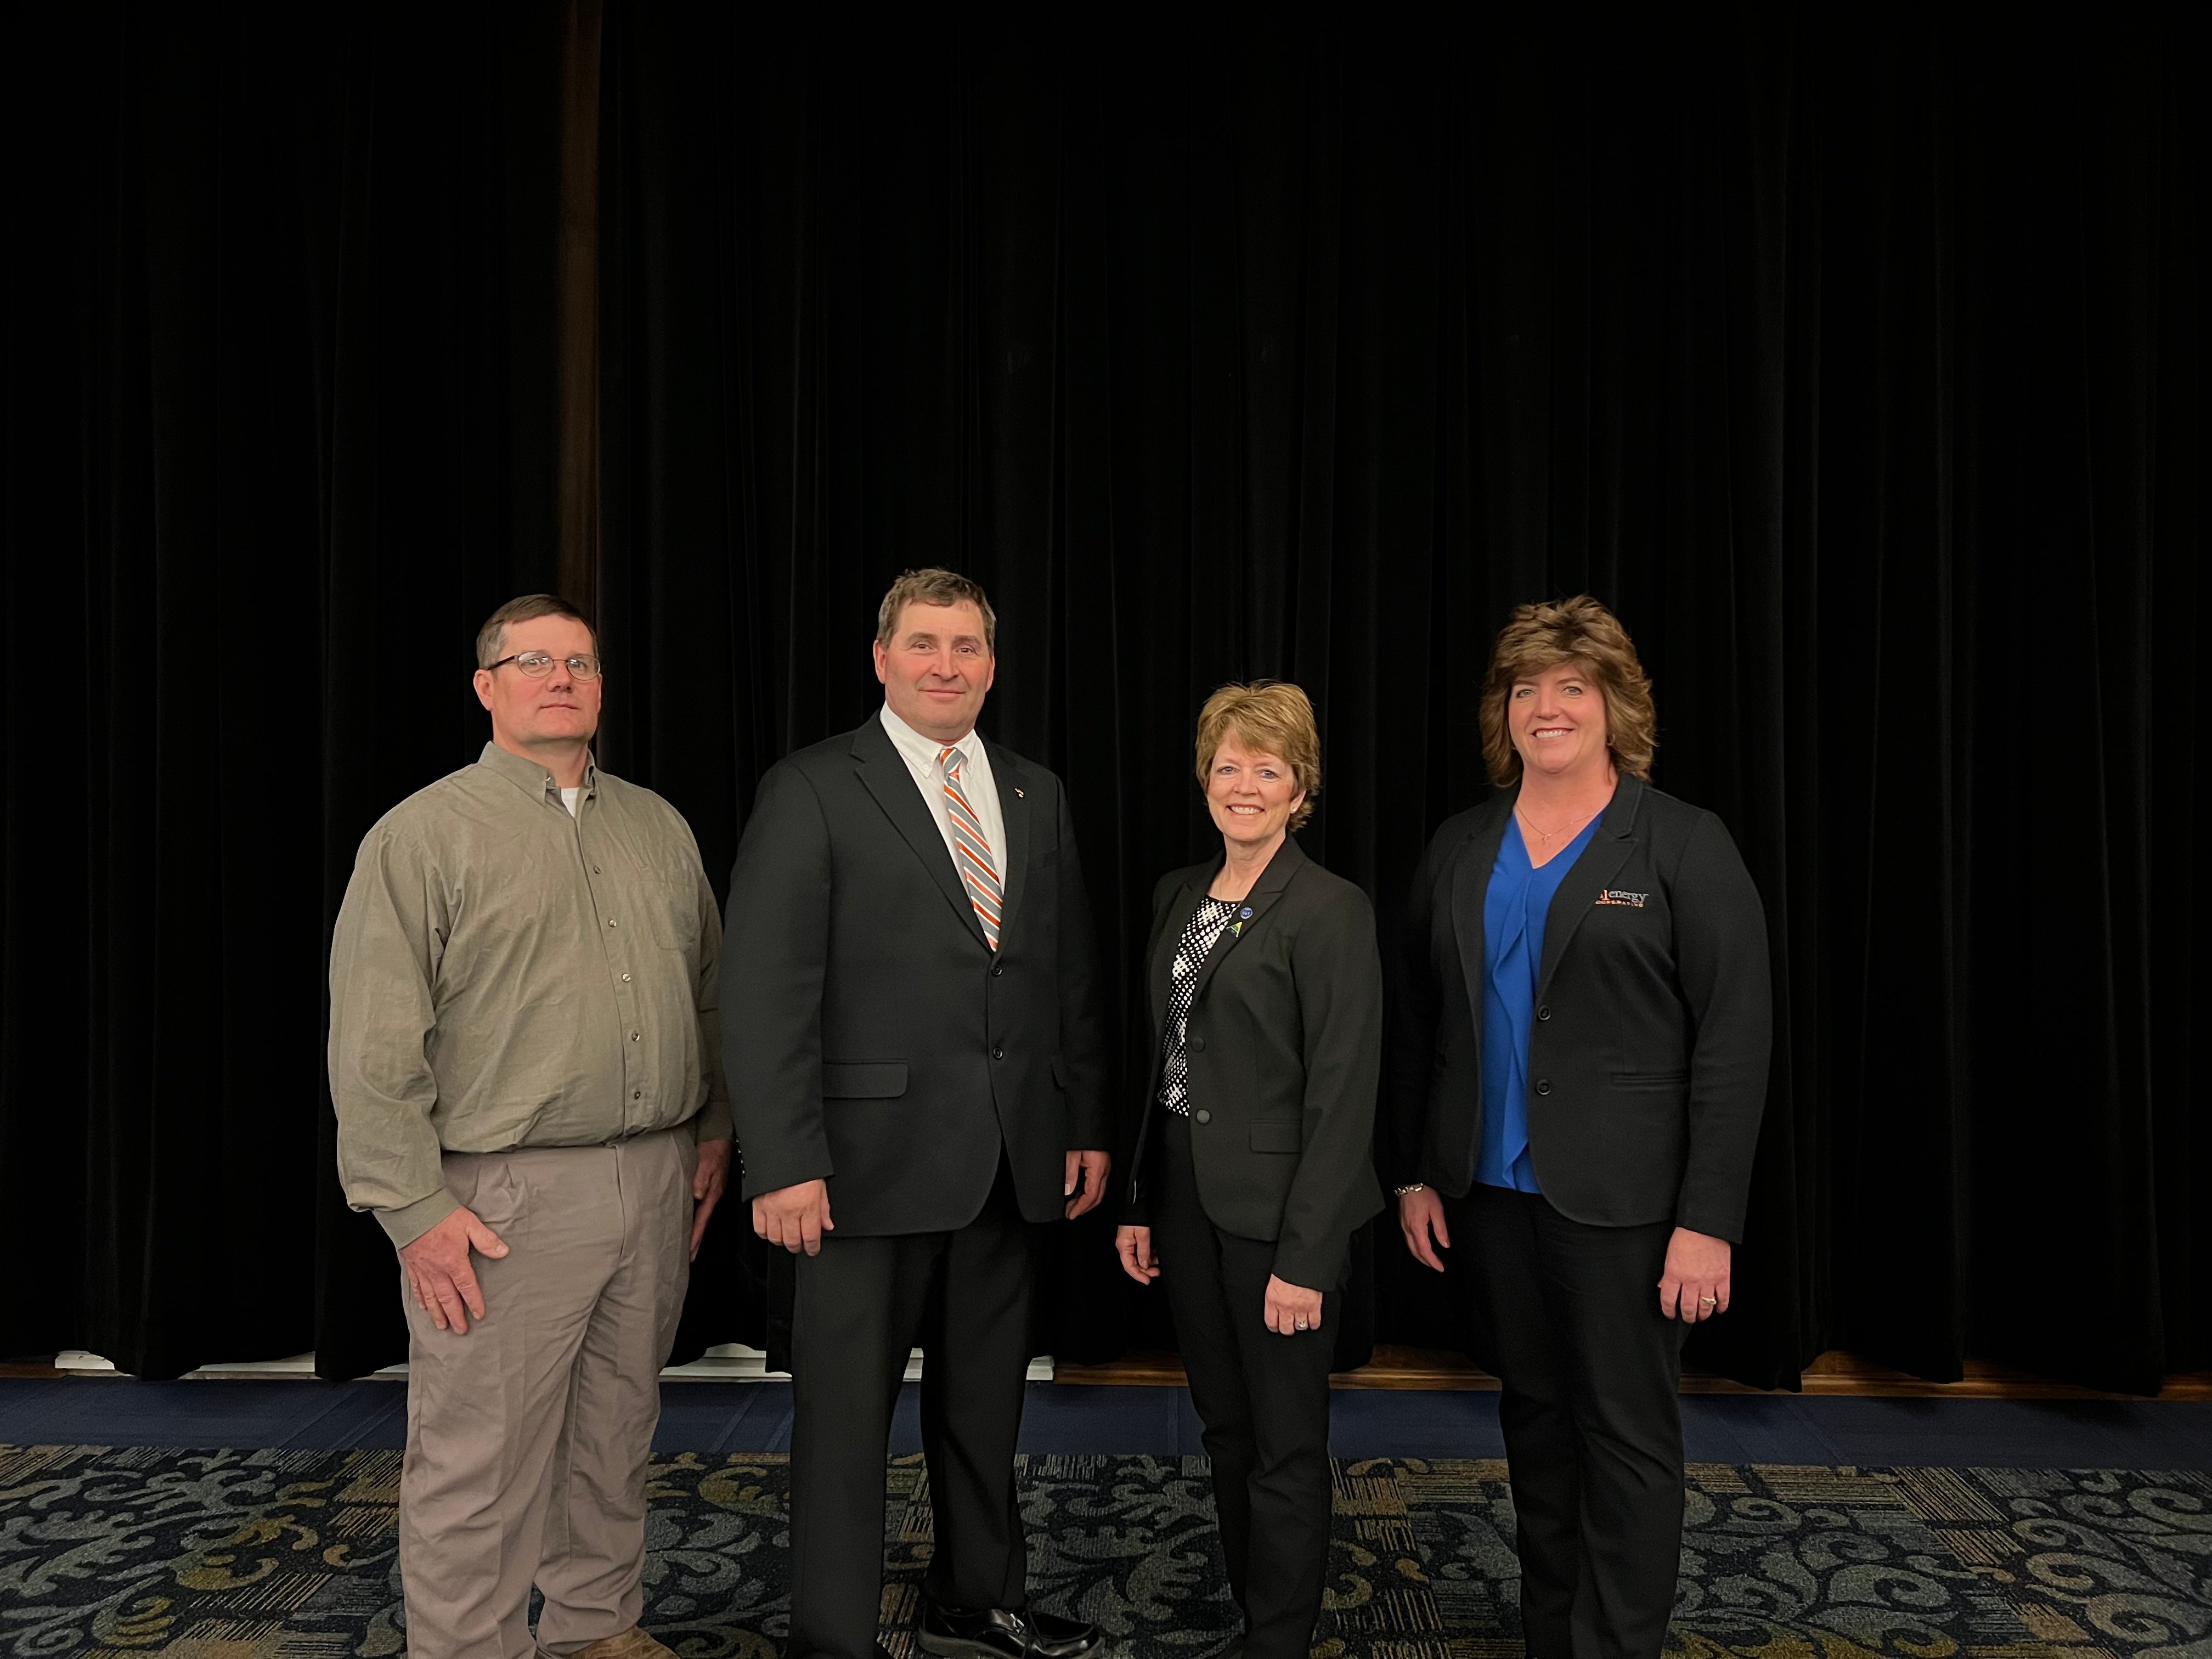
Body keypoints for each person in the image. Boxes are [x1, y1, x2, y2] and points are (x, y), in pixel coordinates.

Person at [328, 593, 733, 1659]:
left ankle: (597, 1629)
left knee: (614, 1434)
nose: (562, 678)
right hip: (498, 1200)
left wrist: (714, 1133)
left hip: (651, 1179)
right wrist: (414, 1209)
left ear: (601, 688)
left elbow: (707, 995)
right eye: (535, 660)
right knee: (481, 1460)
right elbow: (373, 1042)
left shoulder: (659, 826)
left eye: (582, 663)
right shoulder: (421, 837)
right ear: (487, 685)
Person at [723, 568, 1113, 1659]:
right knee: (845, 1423)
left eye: (969, 646)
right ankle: (833, 1634)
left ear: (992, 663)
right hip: (856, 1167)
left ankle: (976, 1596)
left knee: (985, 1409)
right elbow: (764, 991)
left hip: (1008, 1156)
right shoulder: (811, 788)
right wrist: (784, 1160)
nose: (949, 665)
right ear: (884, 658)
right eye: (927, 644)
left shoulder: (1035, 791)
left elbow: (1065, 972)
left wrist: (1081, 1119)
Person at [1388, 596, 1770, 1659]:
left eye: (1571, 688)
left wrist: (1710, 1220)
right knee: (1536, 1426)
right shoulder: (1462, 846)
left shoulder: (1684, 846)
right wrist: (1418, 1171)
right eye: (1525, 690)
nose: (1545, 708)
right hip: (1493, 1199)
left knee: (1627, 1441)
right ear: (1502, 711)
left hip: (1630, 1212)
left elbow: (1735, 1045)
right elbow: (1424, 1024)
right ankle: (1552, 1635)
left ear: (1615, 706)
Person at [1115, 681, 1384, 1659]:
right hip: (1186, 1197)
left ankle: (1281, 1639)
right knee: (1224, 1427)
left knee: (1284, 1440)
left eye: (1267, 769)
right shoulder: (1178, 895)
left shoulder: (1330, 910)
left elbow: (1345, 1095)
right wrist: (1142, 1198)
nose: (1244, 785)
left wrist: (1309, 1257)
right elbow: (1162, 1062)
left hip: (1283, 1217)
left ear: (1299, 788)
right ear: (1205, 777)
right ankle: (1251, 1607)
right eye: (1228, 766)